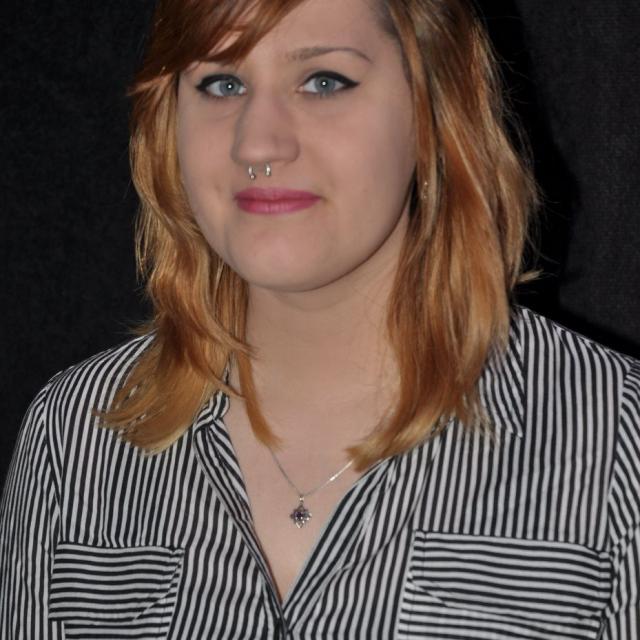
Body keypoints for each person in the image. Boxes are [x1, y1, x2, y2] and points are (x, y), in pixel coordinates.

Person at [1, 0, 638, 637]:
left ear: (433, 110)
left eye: (324, 81)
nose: (257, 143)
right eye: (221, 84)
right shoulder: (75, 436)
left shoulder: (616, 442)